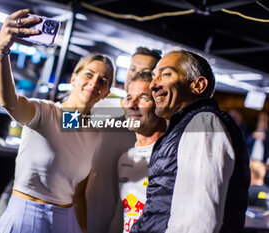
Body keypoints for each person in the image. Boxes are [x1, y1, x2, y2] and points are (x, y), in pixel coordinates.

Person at [0, 9, 115, 233]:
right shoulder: (45, 113)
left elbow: (78, 194)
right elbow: (8, 102)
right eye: (89, 74)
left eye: (103, 80)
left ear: (106, 92)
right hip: (28, 214)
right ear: (74, 78)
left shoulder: (94, 134)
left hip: (66, 220)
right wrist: (2, 52)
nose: (94, 82)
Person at [130, 49, 250, 233]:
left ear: (198, 85)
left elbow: (199, 221)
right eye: (154, 77)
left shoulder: (203, 123)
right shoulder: (185, 128)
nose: (153, 85)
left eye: (166, 74)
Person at [86, 47, 161, 233]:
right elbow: (60, 126)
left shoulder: (154, 120)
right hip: (84, 211)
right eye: (133, 69)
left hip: (125, 220)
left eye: (147, 72)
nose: (138, 74)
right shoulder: (99, 107)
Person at [108, 72, 165, 233]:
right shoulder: (126, 157)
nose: (132, 105)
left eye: (143, 99)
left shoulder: (172, 157)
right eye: (128, 98)